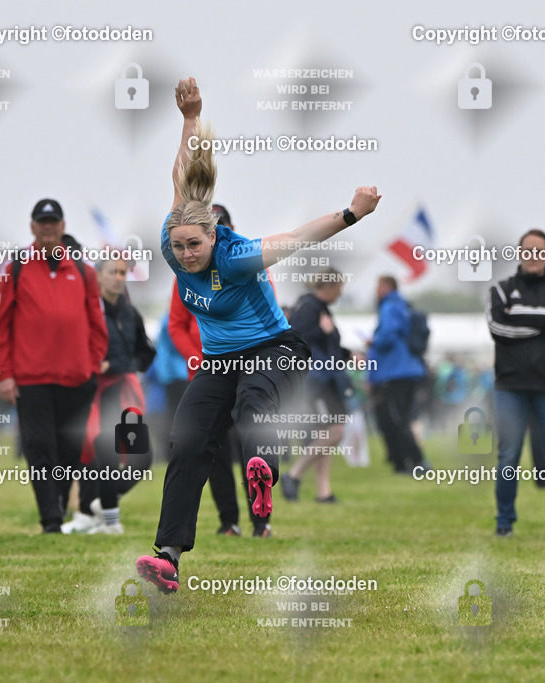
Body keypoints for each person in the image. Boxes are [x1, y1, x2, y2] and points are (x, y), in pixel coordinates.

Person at [136, 76, 380, 593]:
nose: (186, 255)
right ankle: (169, 556)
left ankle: (262, 476)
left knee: (253, 415)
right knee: (186, 443)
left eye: (194, 245)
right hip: (220, 359)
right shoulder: (174, 236)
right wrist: (189, 120)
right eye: (179, 247)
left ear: (213, 235)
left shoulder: (237, 254)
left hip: (274, 350)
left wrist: (350, 214)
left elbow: (297, 238)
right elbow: (182, 182)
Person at [0, 199, 108, 533]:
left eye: (53, 221)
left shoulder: (84, 271)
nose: (48, 227)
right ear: (32, 227)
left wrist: (93, 365)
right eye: (42, 222)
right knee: (40, 447)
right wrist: (5, 375)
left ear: (63, 226)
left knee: (69, 449)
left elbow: (98, 324)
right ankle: (50, 519)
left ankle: (57, 502)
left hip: (77, 378)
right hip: (31, 380)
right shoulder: (15, 267)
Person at [166, 204, 251, 537]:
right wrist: (197, 359)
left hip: (246, 374)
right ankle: (229, 521)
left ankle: (262, 522)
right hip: (207, 376)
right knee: (212, 452)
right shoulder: (186, 275)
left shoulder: (249, 268)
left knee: (251, 445)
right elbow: (176, 325)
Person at [487, 229, 545, 537]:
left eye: (539, 250)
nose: (533, 256)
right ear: (519, 253)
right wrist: (541, 326)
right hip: (510, 387)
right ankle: (504, 523)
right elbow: (498, 328)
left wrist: (519, 315)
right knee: (508, 455)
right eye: (527, 250)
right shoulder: (499, 289)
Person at [62, 258, 154, 534]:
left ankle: (99, 503)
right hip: (93, 391)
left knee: (142, 458)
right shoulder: (86, 311)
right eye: (111, 272)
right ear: (98, 277)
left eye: (122, 273)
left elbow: (146, 353)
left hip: (124, 390)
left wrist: (121, 366)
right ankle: (105, 520)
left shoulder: (130, 313)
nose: (118, 277)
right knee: (101, 455)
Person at [282, 268, 353, 503]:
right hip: (316, 380)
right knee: (336, 431)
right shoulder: (308, 307)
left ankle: (324, 492)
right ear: (329, 286)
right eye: (340, 288)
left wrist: (349, 354)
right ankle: (293, 474)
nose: (341, 294)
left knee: (327, 432)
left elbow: (329, 346)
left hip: (327, 378)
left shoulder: (319, 308)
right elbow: (298, 338)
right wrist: (323, 332)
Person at [368, 276, 428, 474]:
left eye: (377, 286)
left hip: (394, 372)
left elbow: (387, 336)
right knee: (400, 418)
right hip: (409, 370)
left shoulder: (389, 307)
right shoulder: (404, 306)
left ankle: (418, 461)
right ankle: (401, 462)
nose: (375, 291)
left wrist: (373, 342)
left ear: (386, 287)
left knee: (396, 419)